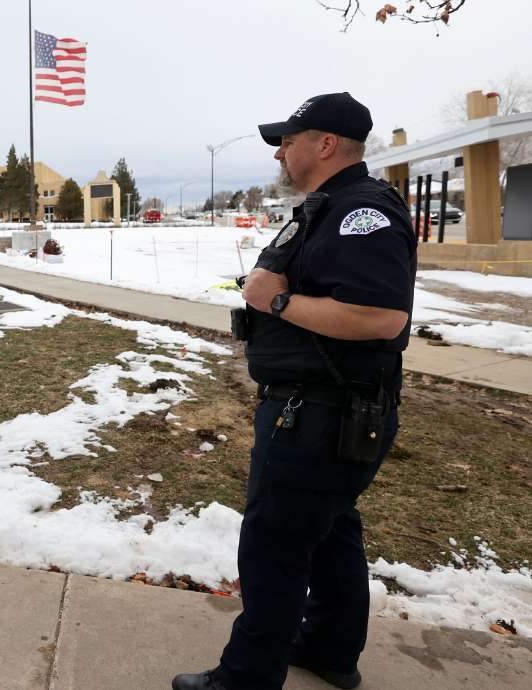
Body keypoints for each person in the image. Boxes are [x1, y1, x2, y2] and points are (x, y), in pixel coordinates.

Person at [173, 93, 416, 690]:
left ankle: (246, 678)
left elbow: (380, 317)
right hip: (315, 409)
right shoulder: (329, 207)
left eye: (288, 139)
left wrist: (275, 301)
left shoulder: (364, 212)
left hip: (320, 413)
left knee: (274, 546)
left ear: (326, 144)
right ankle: (330, 650)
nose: (280, 151)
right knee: (329, 530)